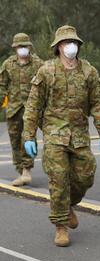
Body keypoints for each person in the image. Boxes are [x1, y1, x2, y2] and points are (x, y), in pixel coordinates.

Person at [22, 25, 100, 247]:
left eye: (74, 42)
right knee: (59, 179)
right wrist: (29, 136)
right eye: (66, 43)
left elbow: (98, 103)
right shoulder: (46, 71)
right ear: (58, 47)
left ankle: (68, 205)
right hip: (54, 134)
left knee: (85, 176)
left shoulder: (89, 72)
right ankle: (61, 226)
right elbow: (33, 106)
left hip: (79, 134)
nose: (71, 46)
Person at [0, 33, 43, 186]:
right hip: (13, 110)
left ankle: (26, 171)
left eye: (25, 46)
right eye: (19, 46)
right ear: (15, 48)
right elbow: (1, 86)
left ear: (29, 47)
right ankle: (21, 170)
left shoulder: (38, 64)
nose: (22, 49)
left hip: (31, 109)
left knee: (28, 139)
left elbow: (46, 85)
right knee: (14, 141)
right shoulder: (8, 64)